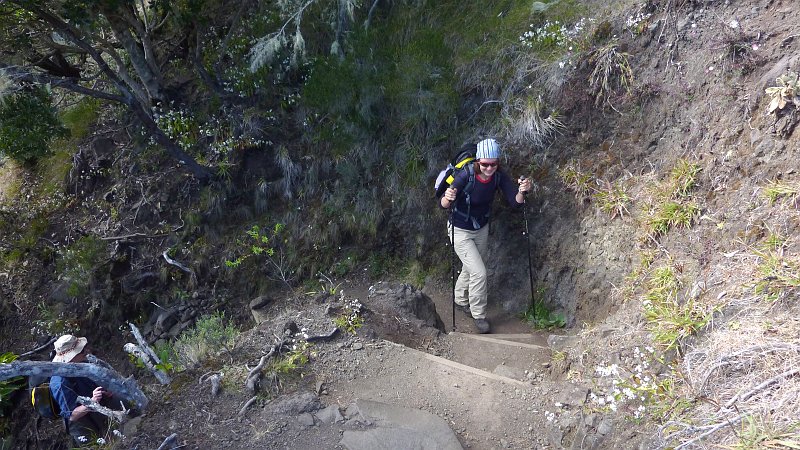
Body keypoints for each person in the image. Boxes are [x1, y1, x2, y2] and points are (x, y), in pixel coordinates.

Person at [440, 138, 531, 333]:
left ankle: (459, 299)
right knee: (479, 272)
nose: (489, 168)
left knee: (472, 267)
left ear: (498, 163)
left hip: (481, 228)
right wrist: (448, 198)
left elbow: (515, 203)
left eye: (493, 164)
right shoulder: (465, 175)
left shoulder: (498, 176)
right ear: (478, 162)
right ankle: (479, 315)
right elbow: (444, 204)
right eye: (485, 164)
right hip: (459, 229)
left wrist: (523, 191)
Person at [50, 334, 114, 445]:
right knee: (96, 446)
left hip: (96, 407)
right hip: (80, 422)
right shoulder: (60, 383)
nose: (86, 351)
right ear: (71, 357)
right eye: (82, 350)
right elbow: (72, 415)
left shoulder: (82, 364)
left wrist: (105, 390)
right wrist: (93, 402)